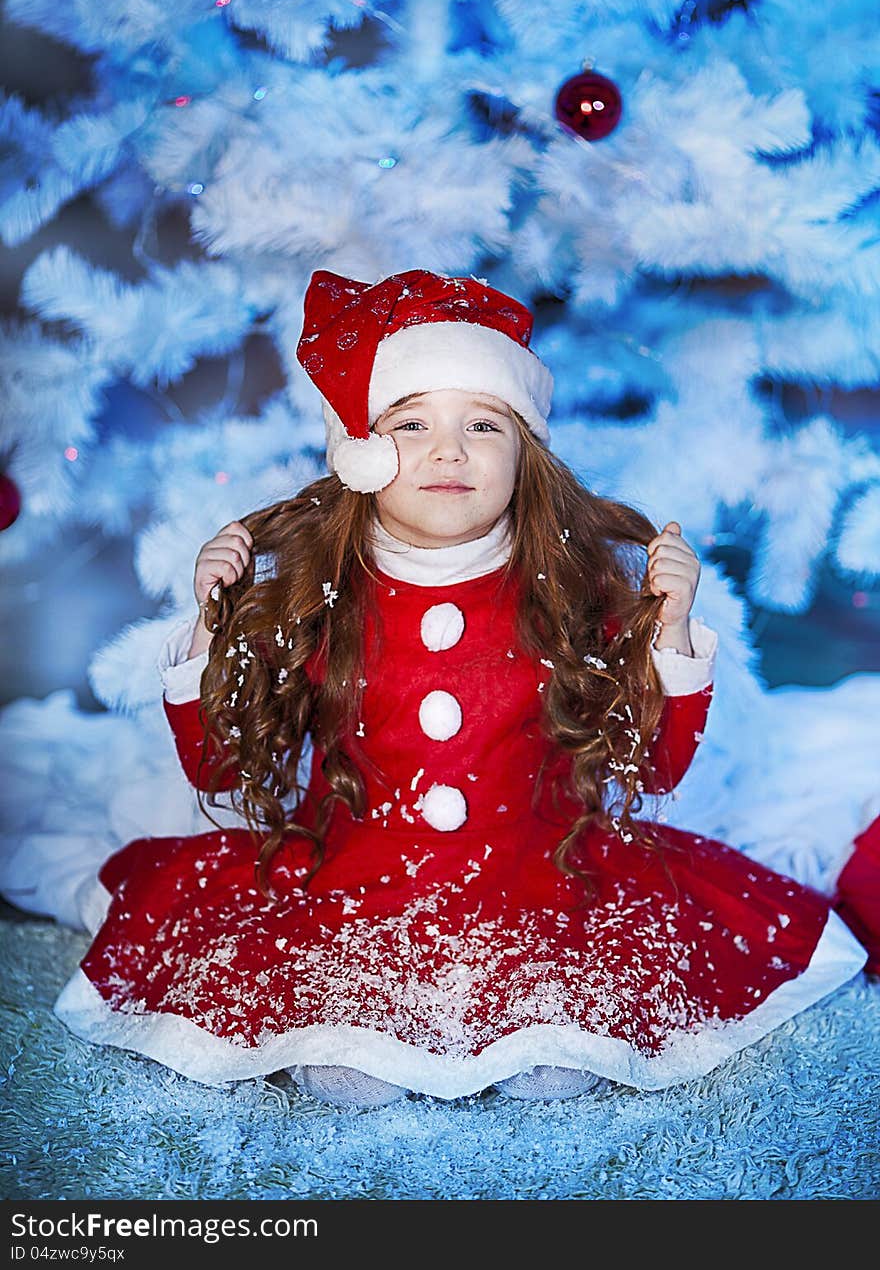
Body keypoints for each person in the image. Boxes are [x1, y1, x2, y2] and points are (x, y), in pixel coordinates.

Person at [53, 268, 868, 1106]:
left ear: (526, 459)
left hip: (544, 875)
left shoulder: (570, 594)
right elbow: (222, 774)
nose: (449, 450)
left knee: (560, 1063)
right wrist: (210, 626)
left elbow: (653, 770)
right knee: (346, 1071)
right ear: (361, 456)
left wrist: (670, 633)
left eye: (484, 425)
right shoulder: (318, 594)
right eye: (410, 423)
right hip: (358, 883)